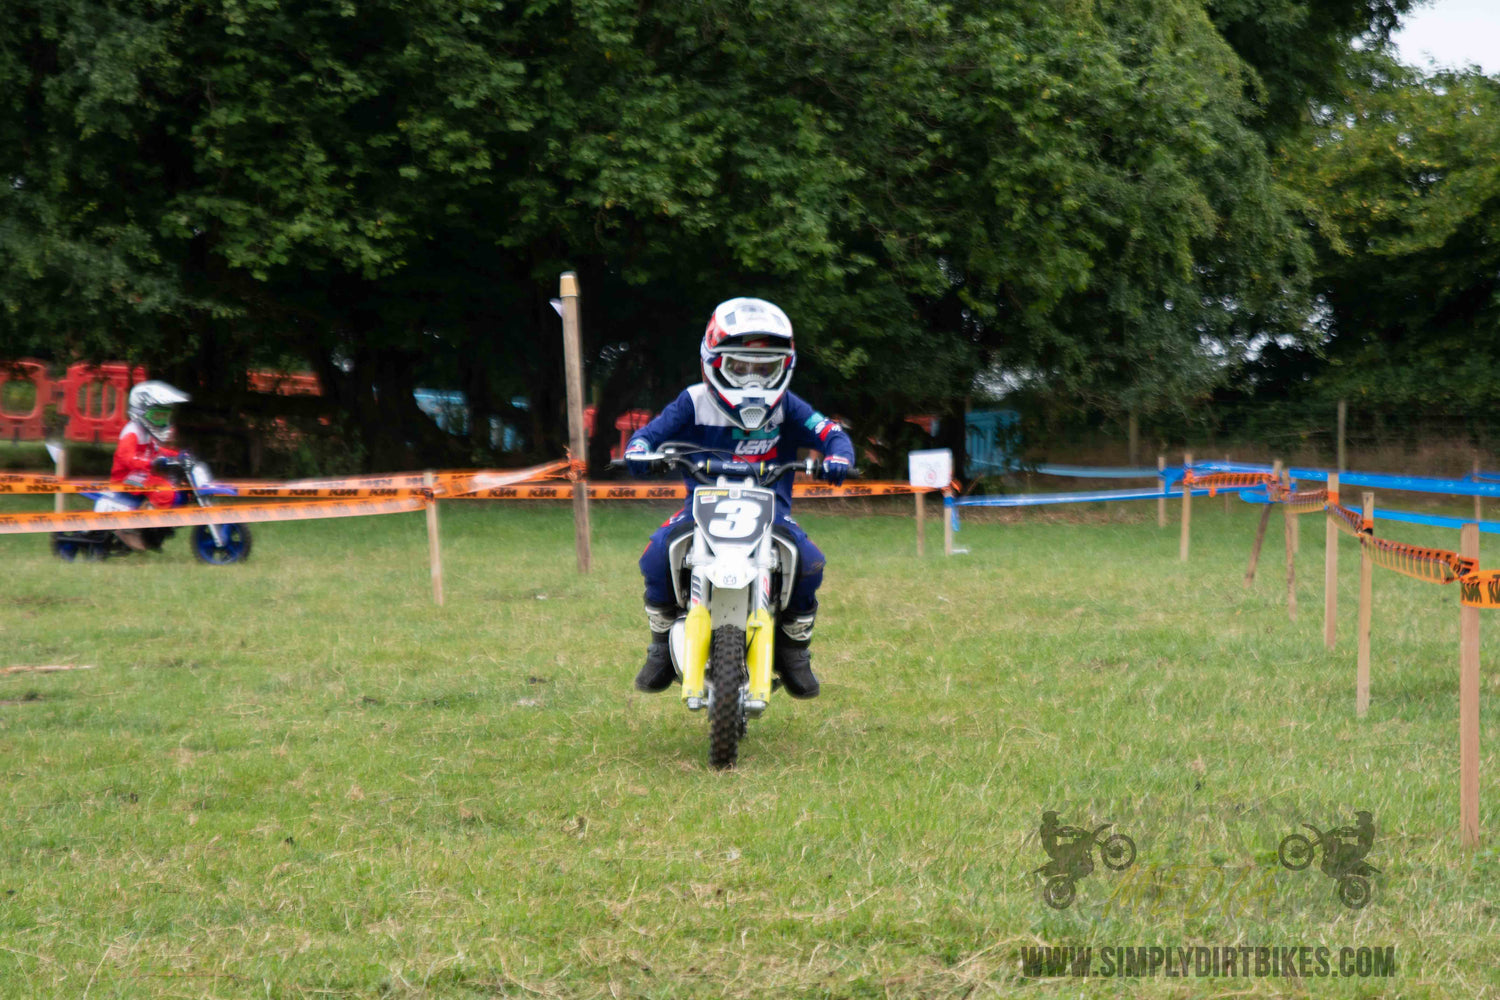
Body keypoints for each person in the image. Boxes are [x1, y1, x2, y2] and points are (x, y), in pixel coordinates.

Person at [624, 297, 855, 699]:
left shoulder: (788, 406)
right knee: (657, 551)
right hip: (701, 511)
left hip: (770, 514)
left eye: (765, 369)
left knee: (810, 561)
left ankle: (794, 647)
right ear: (713, 361)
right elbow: (651, 433)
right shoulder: (693, 401)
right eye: (740, 366)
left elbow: (830, 431)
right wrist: (640, 450)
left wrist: (839, 455)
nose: (753, 379)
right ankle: (660, 644)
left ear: (786, 365)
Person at [107, 381, 191, 549]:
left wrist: (179, 456)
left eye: (164, 417)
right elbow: (126, 458)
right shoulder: (132, 432)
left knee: (179, 490)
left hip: (140, 474)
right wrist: (151, 463)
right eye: (157, 416)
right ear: (142, 412)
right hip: (125, 478)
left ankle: (157, 527)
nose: (161, 421)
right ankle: (141, 527)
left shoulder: (147, 432)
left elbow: (158, 451)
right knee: (164, 492)